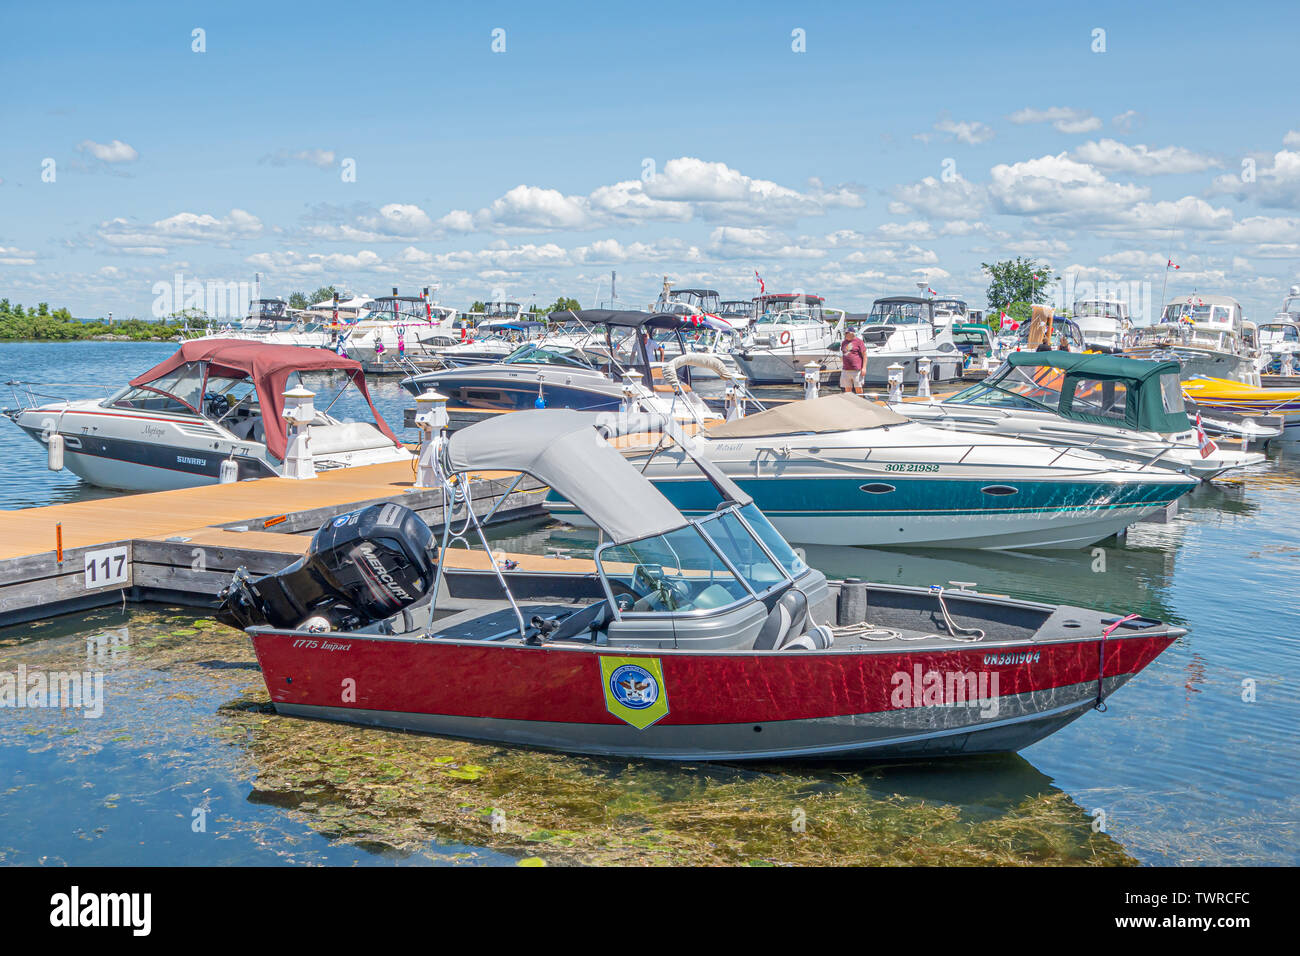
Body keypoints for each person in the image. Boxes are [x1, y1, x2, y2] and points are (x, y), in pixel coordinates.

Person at [839, 328, 866, 394]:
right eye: (845, 333)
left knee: (858, 389)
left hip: (857, 370)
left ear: (852, 333)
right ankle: (849, 403)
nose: (845, 335)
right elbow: (843, 354)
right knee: (847, 389)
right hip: (846, 370)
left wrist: (864, 368)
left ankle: (860, 403)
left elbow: (864, 355)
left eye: (847, 333)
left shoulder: (859, 342)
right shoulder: (843, 342)